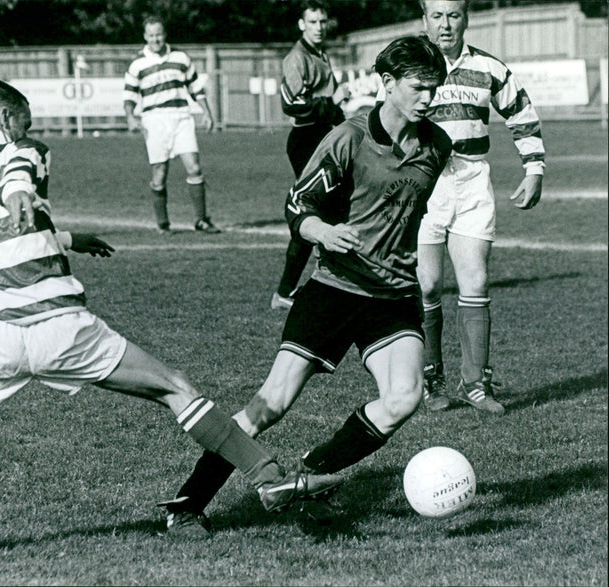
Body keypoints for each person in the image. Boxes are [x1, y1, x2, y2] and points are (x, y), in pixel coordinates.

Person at [0, 79, 343, 577]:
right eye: (25, 122)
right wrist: (21, 191)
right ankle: (268, 476)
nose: (27, 130)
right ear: (7, 121)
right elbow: (15, 175)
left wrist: (67, 236)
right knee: (176, 388)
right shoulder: (26, 150)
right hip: (62, 328)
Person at [158, 35, 452, 537]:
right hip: (335, 288)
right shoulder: (347, 139)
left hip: (393, 295)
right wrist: (324, 232)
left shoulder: (437, 147)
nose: (428, 98)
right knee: (269, 404)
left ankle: (311, 475)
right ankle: (186, 504)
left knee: (405, 397)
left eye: (434, 88)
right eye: (419, 88)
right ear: (387, 83)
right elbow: (297, 206)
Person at [415, 0, 545, 414]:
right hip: (422, 185)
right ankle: (430, 378)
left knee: (476, 281)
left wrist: (534, 169)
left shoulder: (490, 68)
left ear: (466, 18)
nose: (446, 24)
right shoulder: (410, 65)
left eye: (454, 14)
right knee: (428, 285)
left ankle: (475, 383)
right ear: (424, 20)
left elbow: (521, 114)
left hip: (472, 182)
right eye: (436, 15)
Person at [272, 0, 349, 310]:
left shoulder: (319, 54)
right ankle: (292, 289)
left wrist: (345, 124)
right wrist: (332, 101)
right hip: (306, 138)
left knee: (331, 205)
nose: (319, 27)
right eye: (313, 21)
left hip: (323, 135)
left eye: (323, 21)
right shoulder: (297, 58)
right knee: (315, 208)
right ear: (301, 24)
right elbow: (292, 105)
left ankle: (300, 287)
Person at [123, 15, 221, 234]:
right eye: (151, 35)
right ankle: (163, 224)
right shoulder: (137, 63)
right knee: (159, 172)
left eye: (158, 34)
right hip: (154, 121)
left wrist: (207, 113)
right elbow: (129, 95)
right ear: (144, 36)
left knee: (194, 166)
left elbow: (196, 87)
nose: (155, 39)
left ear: (164, 34)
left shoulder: (181, 57)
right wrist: (130, 116)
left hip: (181, 117)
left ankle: (201, 220)